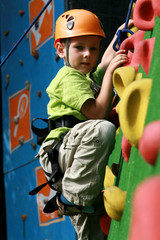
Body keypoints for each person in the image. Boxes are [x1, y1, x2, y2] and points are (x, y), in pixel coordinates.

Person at [36, 9, 131, 240]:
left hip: (75, 157)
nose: (88, 55)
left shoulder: (85, 77)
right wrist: (110, 75)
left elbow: (105, 62)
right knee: (103, 128)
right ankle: (71, 198)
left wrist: (118, 36)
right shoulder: (68, 78)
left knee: (94, 234)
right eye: (79, 47)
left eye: (94, 48)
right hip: (62, 153)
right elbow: (97, 113)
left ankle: (75, 201)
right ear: (61, 49)